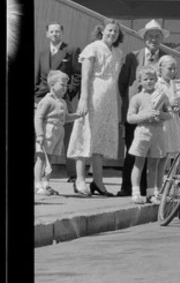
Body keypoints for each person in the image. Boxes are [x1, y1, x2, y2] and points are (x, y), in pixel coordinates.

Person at [67, 19, 125, 197]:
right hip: (93, 97)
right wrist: (83, 98)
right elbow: (85, 76)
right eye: (109, 30)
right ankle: (79, 179)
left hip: (109, 100)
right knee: (85, 136)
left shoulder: (118, 52)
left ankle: (98, 181)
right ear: (102, 31)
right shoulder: (93, 48)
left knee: (100, 139)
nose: (112, 34)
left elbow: (115, 79)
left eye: (115, 31)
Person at [117, 20, 169, 197]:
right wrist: (132, 104)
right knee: (133, 150)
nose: (153, 40)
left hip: (156, 116)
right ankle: (127, 187)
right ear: (144, 38)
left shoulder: (164, 57)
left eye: (157, 37)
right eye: (150, 36)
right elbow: (122, 83)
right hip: (136, 111)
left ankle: (148, 189)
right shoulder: (133, 56)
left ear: (161, 39)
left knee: (153, 155)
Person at [34, 22, 82, 181]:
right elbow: (38, 76)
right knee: (41, 136)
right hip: (42, 98)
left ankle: (72, 173)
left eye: (57, 31)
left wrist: (68, 92)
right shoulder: (42, 53)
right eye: (51, 32)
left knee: (64, 136)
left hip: (62, 98)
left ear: (62, 33)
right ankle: (39, 177)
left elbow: (77, 74)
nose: (55, 34)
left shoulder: (70, 51)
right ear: (47, 34)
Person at [34, 71, 85, 195]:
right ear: (52, 85)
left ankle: (46, 183)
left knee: (49, 159)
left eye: (66, 85)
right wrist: (40, 134)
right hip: (48, 131)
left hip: (58, 132)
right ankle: (37, 184)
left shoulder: (62, 102)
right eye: (62, 85)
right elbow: (38, 117)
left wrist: (77, 115)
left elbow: (65, 117)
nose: (65, 88)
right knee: (42, 158)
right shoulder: (47, 101)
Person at [126, 66, 171, 204]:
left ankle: (151, 193)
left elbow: (170, 115)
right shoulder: (137, 98)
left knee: (154, 164)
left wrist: (161, 114)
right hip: (143, 132)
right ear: (140, 81)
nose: (149, 81)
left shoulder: (162, 97)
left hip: (158, 132)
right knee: (139, 163)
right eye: (146, 79)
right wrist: (145, 115)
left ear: (156, 80)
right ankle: (135, 192)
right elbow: (130, 118)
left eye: (152, 79)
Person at [154, 55, 180, 180]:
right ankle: (155, 184)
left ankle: (162, 183)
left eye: (174, 69)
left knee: (167, 156)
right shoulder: (157, 84)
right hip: (163, 122)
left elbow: (178, 104)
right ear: (161, 68)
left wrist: (178, 107)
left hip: (173, 121)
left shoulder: (175, 84)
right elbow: (155, 103)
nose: (173, 72)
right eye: (170, 69)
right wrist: (169, 104)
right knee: (159, 155)